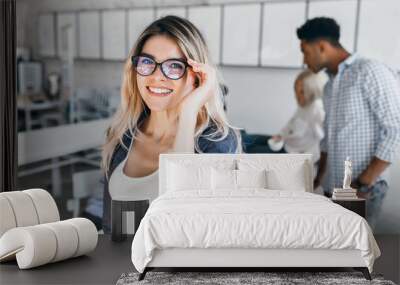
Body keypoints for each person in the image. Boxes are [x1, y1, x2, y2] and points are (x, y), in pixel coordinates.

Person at [101, 16, 241, 233]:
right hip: (121, 266)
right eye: (147, 62)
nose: (157, 77)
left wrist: (188, 116)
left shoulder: (218, 143)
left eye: (174, 66)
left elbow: (187, 220)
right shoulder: (121, 135)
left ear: (197, 77)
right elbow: (111, 229)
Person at [297, 17, 400, 229]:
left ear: (322, 47)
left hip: (363, 188)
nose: (304, 60)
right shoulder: (330, 86)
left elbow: (395, 130)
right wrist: (319, 177)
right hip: (333, 188)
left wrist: (362, 183)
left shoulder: (370, 71)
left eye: (305, 51)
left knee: (357, 256)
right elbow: (328, 136)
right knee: (332, 252)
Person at [242, 69, 327, 163]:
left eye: (301, 92)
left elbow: (322, 143)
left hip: (289, 154)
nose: (296, 96)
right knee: (248, 139)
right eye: (296, 91)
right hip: (283, 142)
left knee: (251, 151)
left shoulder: (317, 110)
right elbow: (291, 124)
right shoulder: (303, 106)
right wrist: (280, 135)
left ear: (312, 91)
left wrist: (303, 159)